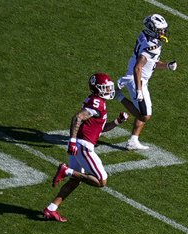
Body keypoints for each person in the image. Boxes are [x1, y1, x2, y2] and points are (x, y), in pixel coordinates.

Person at [44, 73, 130, 222]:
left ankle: (51, 209)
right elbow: (78, 117)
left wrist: (117, 121)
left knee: (76, 180)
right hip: (83, 146)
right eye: (105, 88)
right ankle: (66, 170)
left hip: (81, 144)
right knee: (101, 181)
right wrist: (71, 140)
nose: (109, 91)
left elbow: (100, 129)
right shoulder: (98, 102)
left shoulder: (98, 102)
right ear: (97, 89)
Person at [116, 14, 178, 151]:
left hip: (139, 77)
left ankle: (133, 140)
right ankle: (117, 95)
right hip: (137, 79)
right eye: (160, 30)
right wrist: (138, 89)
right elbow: (138, 67)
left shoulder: (145, 35)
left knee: (144, 112)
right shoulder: (152, 45)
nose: (163, 32)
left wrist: (167, 65)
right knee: (144, 114)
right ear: (152, 29)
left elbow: (151, 63)